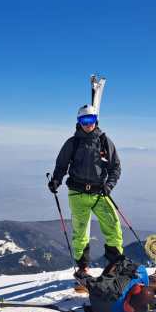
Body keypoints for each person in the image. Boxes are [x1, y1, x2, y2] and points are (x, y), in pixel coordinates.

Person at [48, 104, 124, 287]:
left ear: (96, 121)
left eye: (90, 120)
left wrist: (109, 186)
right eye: (83, 120)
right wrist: (56, 180)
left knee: (113, 226)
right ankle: (83, 269)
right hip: (77, 193)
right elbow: (61, 165)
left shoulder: (104, 141)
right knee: (80, 232)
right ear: (78, 122)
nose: (87, 124)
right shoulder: (72, 143)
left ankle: (115, 266)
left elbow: (115, 168)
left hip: (100, 192)